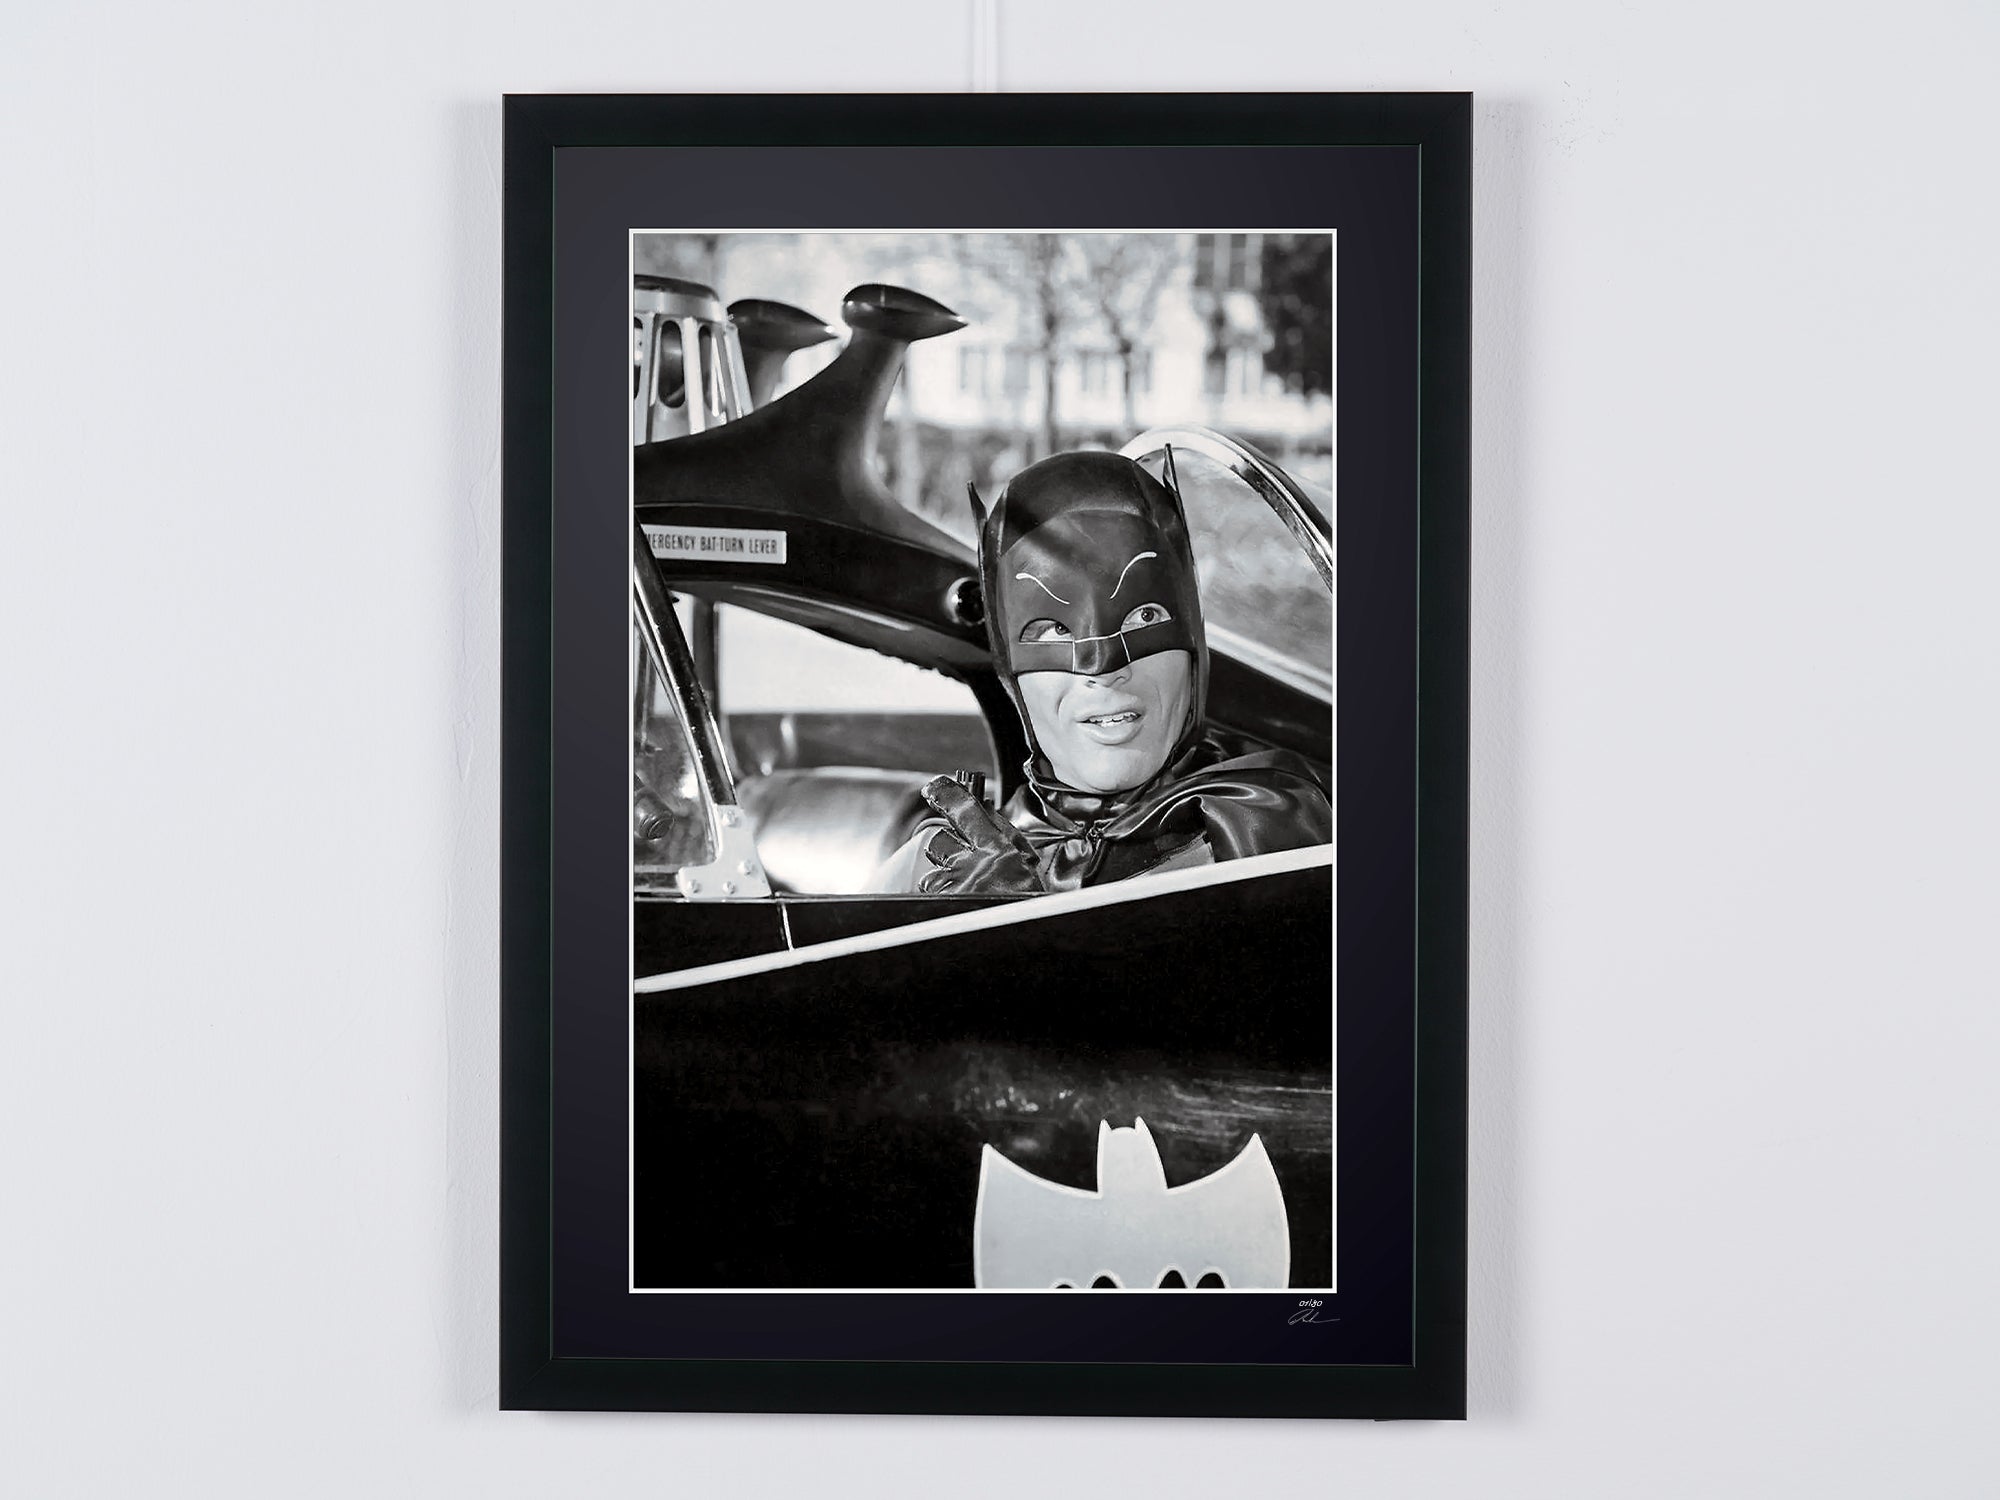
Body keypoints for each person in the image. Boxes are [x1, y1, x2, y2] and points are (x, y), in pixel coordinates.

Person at [878, 448, 1330, 895]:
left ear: (1192, 639)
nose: (1104, 668)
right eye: (1055, 630)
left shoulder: (1270, 828)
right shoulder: (940, 866)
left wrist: (1018, 926)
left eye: (1143, 617)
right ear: (1008, 667)